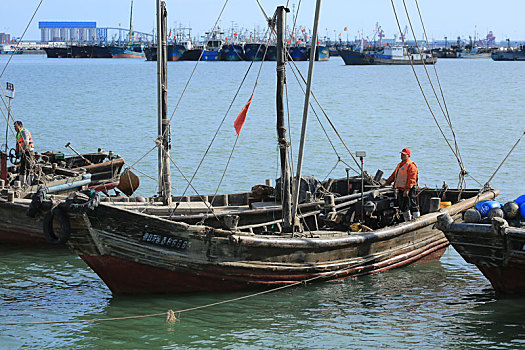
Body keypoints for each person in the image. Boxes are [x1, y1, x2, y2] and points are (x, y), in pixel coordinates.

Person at [381, 148, 420, 221]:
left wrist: (407, 189)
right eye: (401, 154)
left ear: (408, 156)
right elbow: (393, 175)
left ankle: (417, 219)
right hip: (401, 189)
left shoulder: (411, 165)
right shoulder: (400, 165)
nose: (402, 156)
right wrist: (386, 183)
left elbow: (412, 179)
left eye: (404, 155)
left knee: (413, 204)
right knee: (403, 206)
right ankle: (407, 220)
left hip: (410, 189)